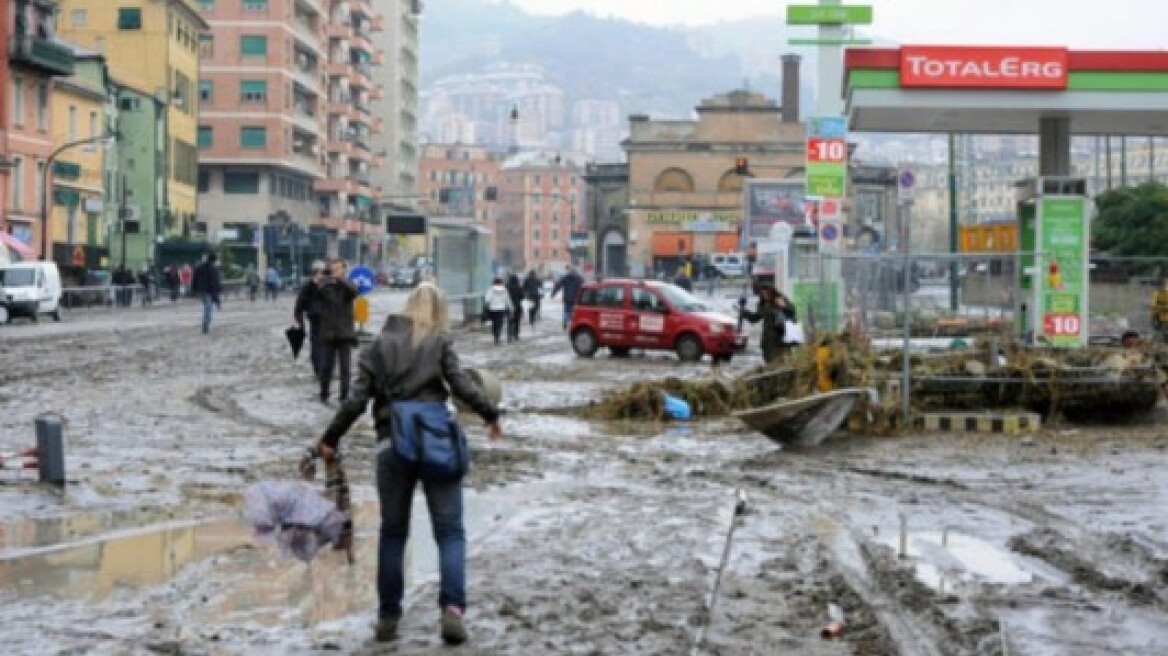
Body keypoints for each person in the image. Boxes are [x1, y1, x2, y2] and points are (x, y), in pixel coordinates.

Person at [312, 283, 502, 646]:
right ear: (437, 312)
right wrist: (490, 414)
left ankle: (387, 618)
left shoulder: (377, 346)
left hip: (392, 445)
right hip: (436, 443)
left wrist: (330, 439)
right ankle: (452, 611)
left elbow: (355, 401)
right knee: (449, 532)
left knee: (393, 533)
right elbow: (461, 385)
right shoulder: (440, 341)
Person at [316, 259, 358, 403]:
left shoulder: (348, 285)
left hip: (345, 333)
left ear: (344, 270)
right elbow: (318, 293)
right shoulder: (326, 285)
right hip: (329, 333)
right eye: (333, 269)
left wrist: (341, 280)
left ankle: (344, 395)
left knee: (345, 368)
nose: (335, 272)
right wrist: (326, 280)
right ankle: (324, 393)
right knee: (326, 366)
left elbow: (354, 292)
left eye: (338, 269)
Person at [739, 285, 797, 363]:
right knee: (770, 362)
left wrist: (784, 307)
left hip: (781, 339)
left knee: (782, 362)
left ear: (772, 292)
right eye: (763, 293)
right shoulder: (763, 305)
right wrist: (744, 312)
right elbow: (755, 318)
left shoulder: (780, 299)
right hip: (767, 340)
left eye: (766, 293)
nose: (765, 295)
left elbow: (792, 312)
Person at [294, 261, 327, 378]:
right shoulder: (308, 285)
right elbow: (300, 302)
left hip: (328, 319)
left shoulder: (328, 283)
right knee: (317, 345)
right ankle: (319, 369)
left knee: (326, 344)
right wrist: (299, 320)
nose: (320, 274)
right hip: (315, 318)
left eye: (322, 272)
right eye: (318, 272)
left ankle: (324, 368)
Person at [191, 252, 222, 334]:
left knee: (207, 306)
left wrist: (193, 289)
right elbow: (215, 283)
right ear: (214, 260)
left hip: (202, 290)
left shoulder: (200, 267)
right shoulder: (214, 269)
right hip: (209, 291)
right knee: (208, 307)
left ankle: (206, 323)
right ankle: (206, 323)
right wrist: (217, 298)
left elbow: (194, 278)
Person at [551, 266, 583, 330]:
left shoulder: (566, 277)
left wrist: (553, 293)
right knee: (574, 311)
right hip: (576, 298)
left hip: (567, 298)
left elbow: (558, 285)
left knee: (566, 311)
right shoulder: (579, 278)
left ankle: (565, 322)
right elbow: (584, 287)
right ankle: (572, 323)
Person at [482, 277, 512, 345]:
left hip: (492, 309)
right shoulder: (504, 290)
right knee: (499, 323)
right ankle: (497, 336)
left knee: (494, 323)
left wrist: (486, 307)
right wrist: (510, 307)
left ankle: (495, 335)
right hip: (501, 309)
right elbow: (507, 299)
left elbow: (487, 300)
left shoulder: (490, 290)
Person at [504, 273, 523, 342]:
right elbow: (522, 297)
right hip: (517, 306)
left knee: (510, 321)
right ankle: (516, 335)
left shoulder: (506, 287)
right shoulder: (519, 287)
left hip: (509, 307)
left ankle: (509, 336)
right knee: (517, 321)